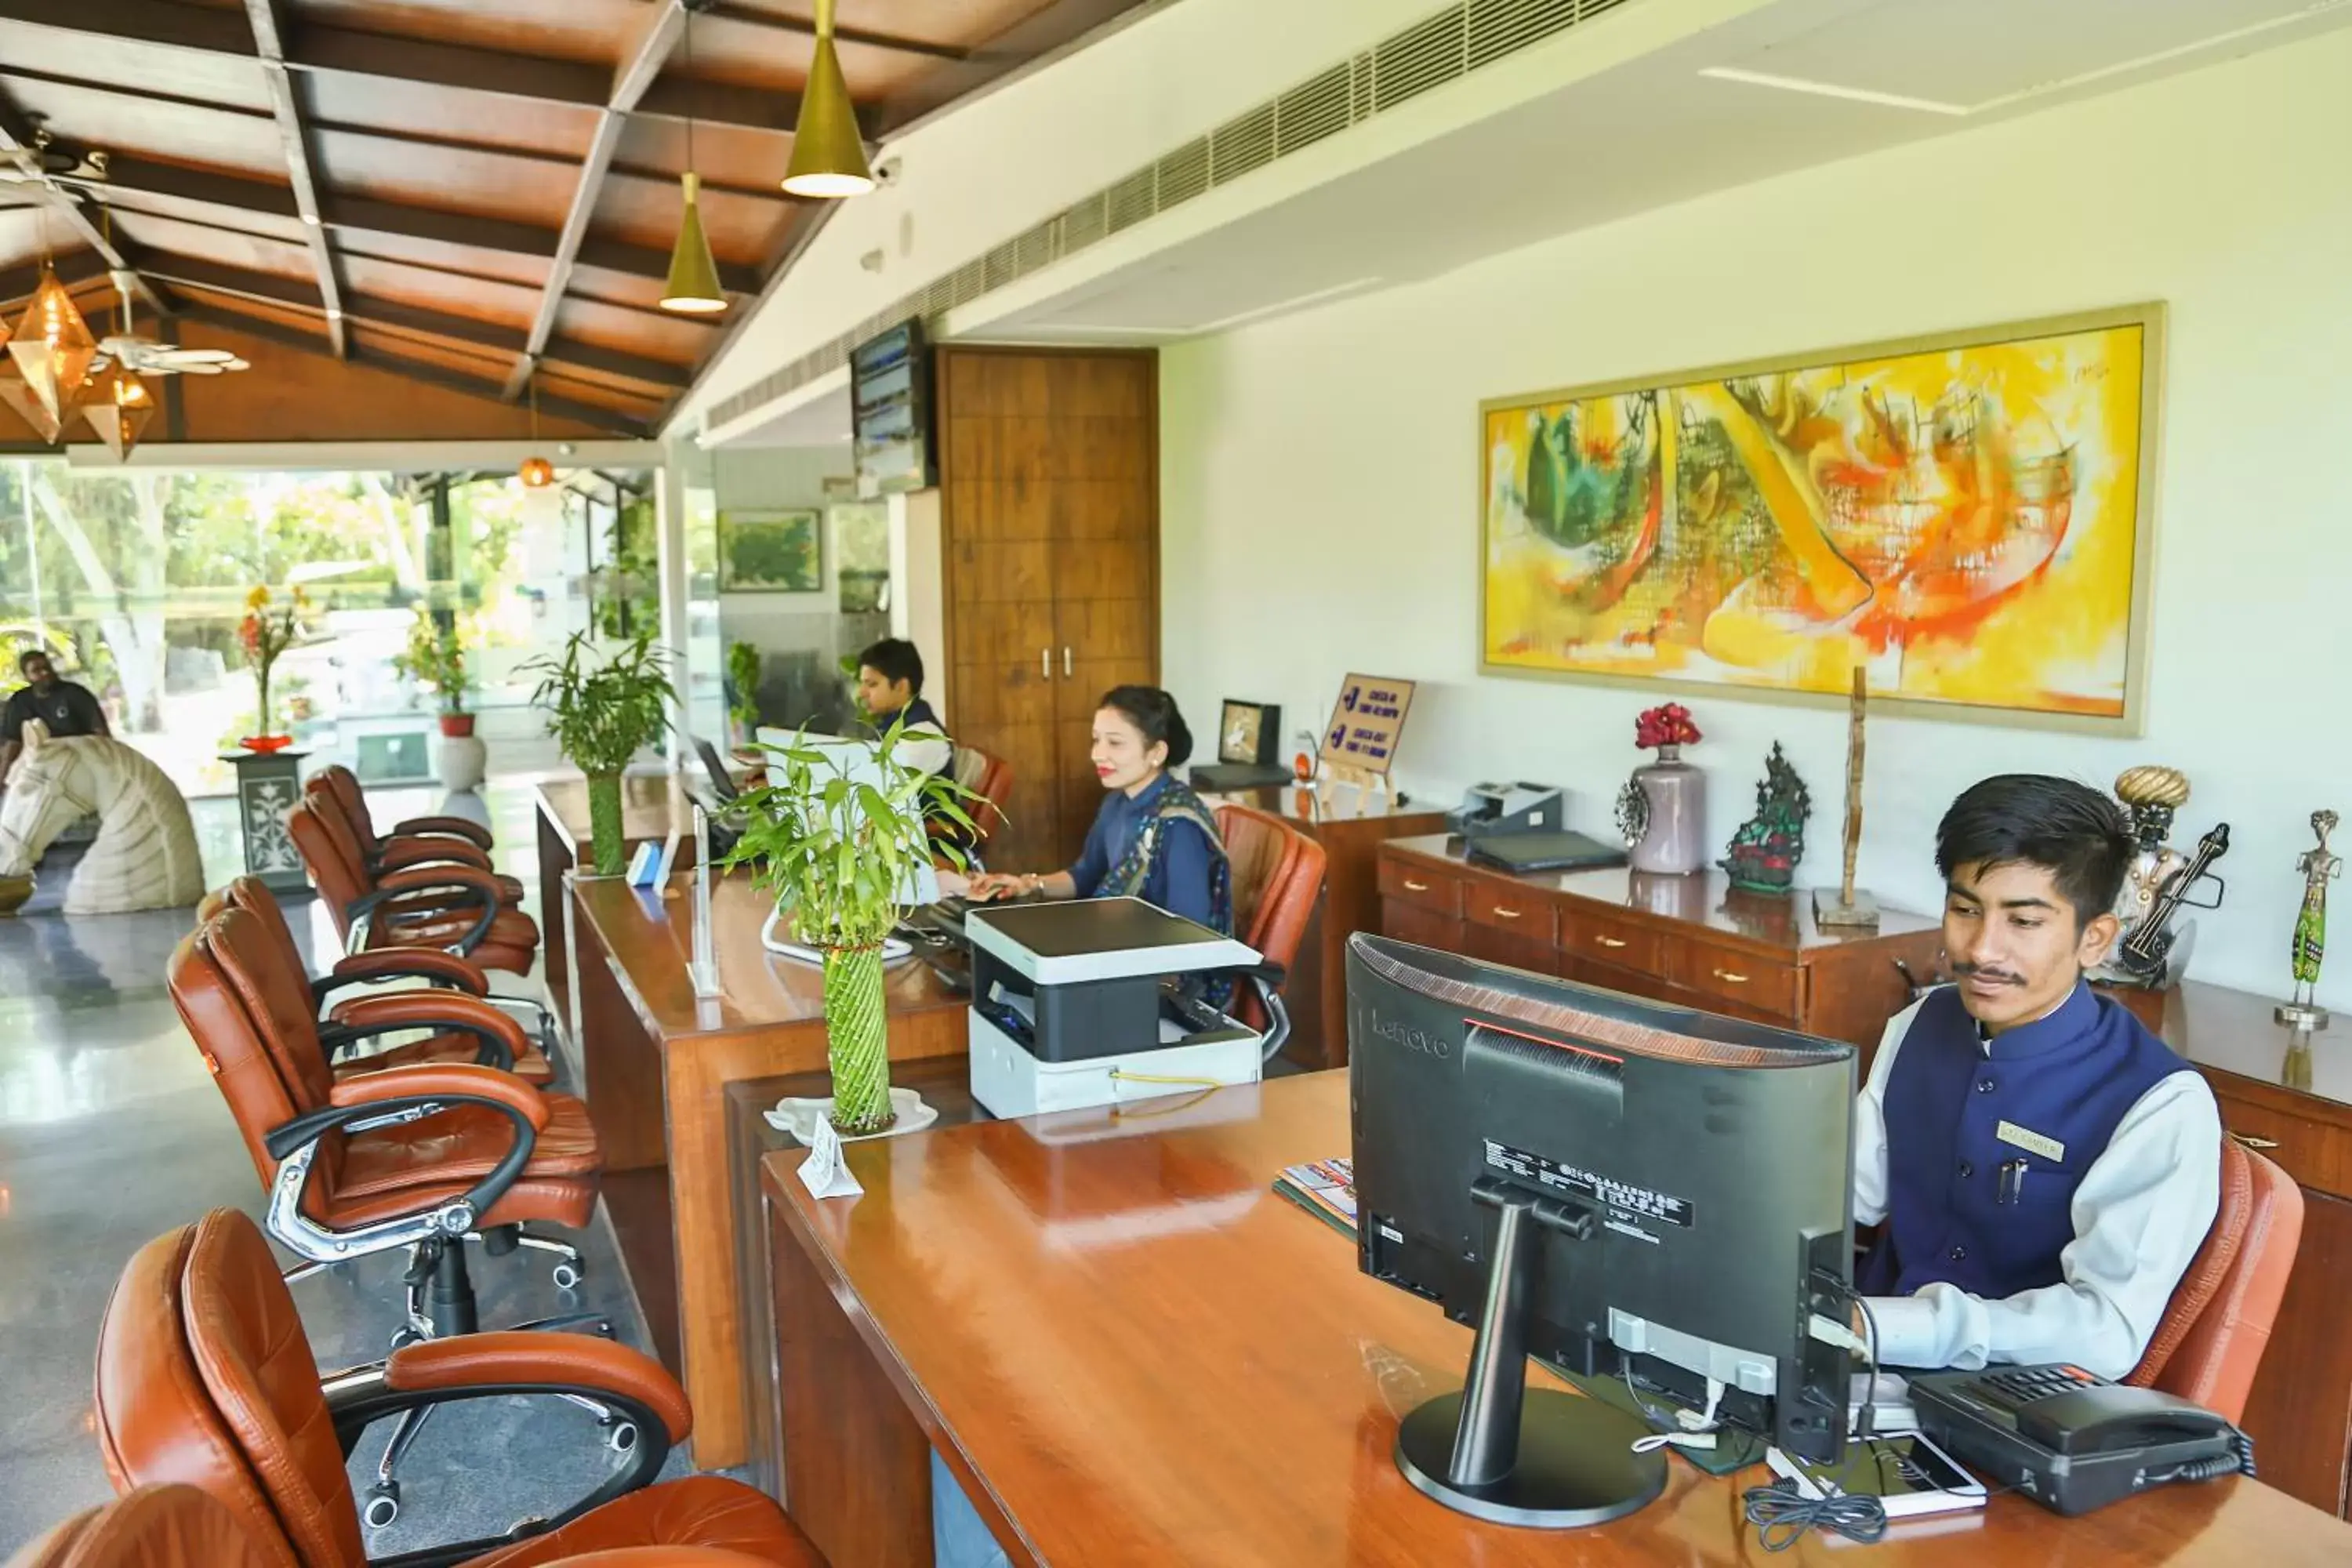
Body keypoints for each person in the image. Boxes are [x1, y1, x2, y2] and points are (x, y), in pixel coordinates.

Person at [1855, 774, 2221, 1379]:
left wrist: (1887, 1326)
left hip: (2019, 1412)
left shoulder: (2159, 1103)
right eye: (1964, 909)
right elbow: (1843, 1193)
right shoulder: (1920, 1024)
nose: (1981, 950)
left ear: (2095, 938)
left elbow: (2107, 1330)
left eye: (2023, 922)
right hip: (1863, 1366)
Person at [964, 686, 1231, 935]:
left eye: (1114, 743)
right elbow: (1085, 876)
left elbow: (1189, 932)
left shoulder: (1179, 825)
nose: (1097, 754)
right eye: (1096, 740)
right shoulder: (1116, 803)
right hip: (1114, 941)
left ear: (1157, 752)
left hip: (1162, 970)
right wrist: (1028, 884)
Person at [2, 648, 110, 787]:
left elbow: (101, 733)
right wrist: (3, 777)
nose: (45, 673)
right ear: (26, 676)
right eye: (36, 670)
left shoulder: (76, 694)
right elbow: (13, 742)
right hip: (38, 764)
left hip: (77, 760)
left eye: (47, 667)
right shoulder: (20, 701)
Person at [853, 637, 953, 778]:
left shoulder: (922, 735)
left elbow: (878, 783)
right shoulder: (890, 725)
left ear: (901, 686)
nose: (861, 693)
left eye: (872, 684)